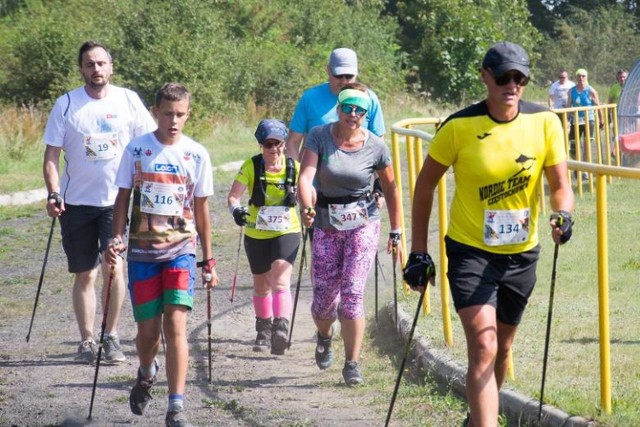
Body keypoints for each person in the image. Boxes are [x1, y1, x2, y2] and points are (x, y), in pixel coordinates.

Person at [402, 41, 575, 427]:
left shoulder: (545, 123)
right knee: (483, 344)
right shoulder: (459, 126)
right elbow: (425, 185)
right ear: (485, 77)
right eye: (502, 77)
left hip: (521, 254)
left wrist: (562, 213)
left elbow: (560, 183)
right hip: (470, 251)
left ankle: (478, 417)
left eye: (520, 77)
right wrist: (417, 251)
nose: (511, 85)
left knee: (501, 349)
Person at [106, 82, 218, 427]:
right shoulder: (137, 150)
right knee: (148, 334)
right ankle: (146, 370)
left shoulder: (197, 154)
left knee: (176, 326)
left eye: (180, 114)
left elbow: (202, 211)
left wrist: (208, 260)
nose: (173, 120)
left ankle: (176, 405)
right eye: (167, 113)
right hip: (142, 252)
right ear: (156, 112)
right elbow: (123, 197)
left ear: (188, 114)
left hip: (181, 251)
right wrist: (116, 237)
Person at [42, 40, 157, 364]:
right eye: (90, 64)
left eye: (101, 64)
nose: (96, 70)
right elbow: (51, 156)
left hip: (115, 202)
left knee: (114, 267)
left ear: (111, 67)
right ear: (81, 69)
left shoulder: (128, 100)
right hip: (75, 203)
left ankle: (111, 335)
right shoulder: (66, 105)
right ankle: (87, 340)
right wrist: (53, 193)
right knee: (85, 274)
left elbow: (148, 144)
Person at [298, 83, 403, 387]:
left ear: (366, 113)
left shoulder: (375, 146)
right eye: (348, 108)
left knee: (353, 294)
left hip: (363, 221)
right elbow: (306, 176)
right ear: (339, 108)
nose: (353, 114)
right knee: (323, 302)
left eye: (360, 110)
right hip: (326, 223)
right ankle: (323, 334)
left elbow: (393, 190)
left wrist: (396, 230)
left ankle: (352, 363)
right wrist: (307, 205)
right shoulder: (319, 135)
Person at [227, 119, 301, 355]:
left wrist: (310, 207)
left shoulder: (293, 167)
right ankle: (263, 329)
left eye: (278, 143)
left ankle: (281, 328)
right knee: (261, 283)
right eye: (268, 144)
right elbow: (233, 196)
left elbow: (310, 190)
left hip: (286, 230)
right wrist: (236, 211)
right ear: (261, 145)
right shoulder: (251, 166)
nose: (274, 149)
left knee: (280, 277)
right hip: (256, 232)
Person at [286, 47, 386, 161]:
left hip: (358, 175)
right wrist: (297, 173)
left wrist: (377, 177)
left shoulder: (369, 99)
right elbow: (292, 143)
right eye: (338, 75)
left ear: (356, 72)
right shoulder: (310, 98)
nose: (343, 81)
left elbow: (379, 146)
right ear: (328, 70)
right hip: (315, 176)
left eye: (348, 76)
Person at [567, 68, 604, 163]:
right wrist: (566, 120)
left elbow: (598, 106)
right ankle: (578, 166)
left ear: (586, 77)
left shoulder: (591, 91)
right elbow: (568, 107)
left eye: (583, 76)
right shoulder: (572, 91)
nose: (581, 78)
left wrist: (602, 121)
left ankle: (585, 170)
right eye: (579, 76)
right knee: (573, 148)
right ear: (576, 77)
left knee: (587, 146)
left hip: (589, 120)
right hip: (575, 121)